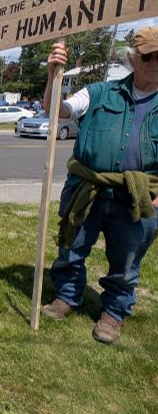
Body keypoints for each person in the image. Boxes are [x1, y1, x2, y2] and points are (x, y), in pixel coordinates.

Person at [41, 28, 158, 344]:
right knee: (71, 248)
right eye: (148, 56)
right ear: (133, 59)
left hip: (138, 198)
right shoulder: (99, 92)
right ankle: (66, 296)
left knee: (126, 263)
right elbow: (55, 111)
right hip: (87, 190)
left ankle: (113, 313)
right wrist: (54, 74)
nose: (155, 63)